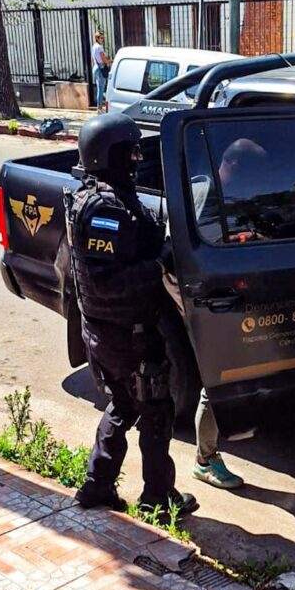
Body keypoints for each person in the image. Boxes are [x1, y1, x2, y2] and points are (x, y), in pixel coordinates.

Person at [65, 112, 197, 517]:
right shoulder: (105, 210)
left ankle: (96, 485)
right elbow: (108, 282)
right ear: (108, 157)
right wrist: (158, 264)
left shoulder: (102, 198)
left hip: (108, 333)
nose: (137, 158)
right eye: (130, 151)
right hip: (127, 334)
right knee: (155, 412)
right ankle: (158, 499)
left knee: (122, 405)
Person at [189, 138, 270, 489]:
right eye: (251, 174)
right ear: (233, 166)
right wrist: (236, 242)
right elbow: (191, 245)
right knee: (217, 380)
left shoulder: (230, 195)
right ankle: (205, 460)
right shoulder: (203, 193)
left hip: (223, 294)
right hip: (207, 295)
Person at [91, 32, 111, 112]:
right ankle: (99, 107)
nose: (102, 39)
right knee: (101, 88)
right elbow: (103, 58)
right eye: (101, 38)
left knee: (100, 87)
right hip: (101, 68)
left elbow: (92, 58)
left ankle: (99, 106)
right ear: (97, 38)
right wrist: (108, 62)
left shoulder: (94, 47)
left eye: (103, 38)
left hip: (96, 68)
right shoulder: (99, 47)